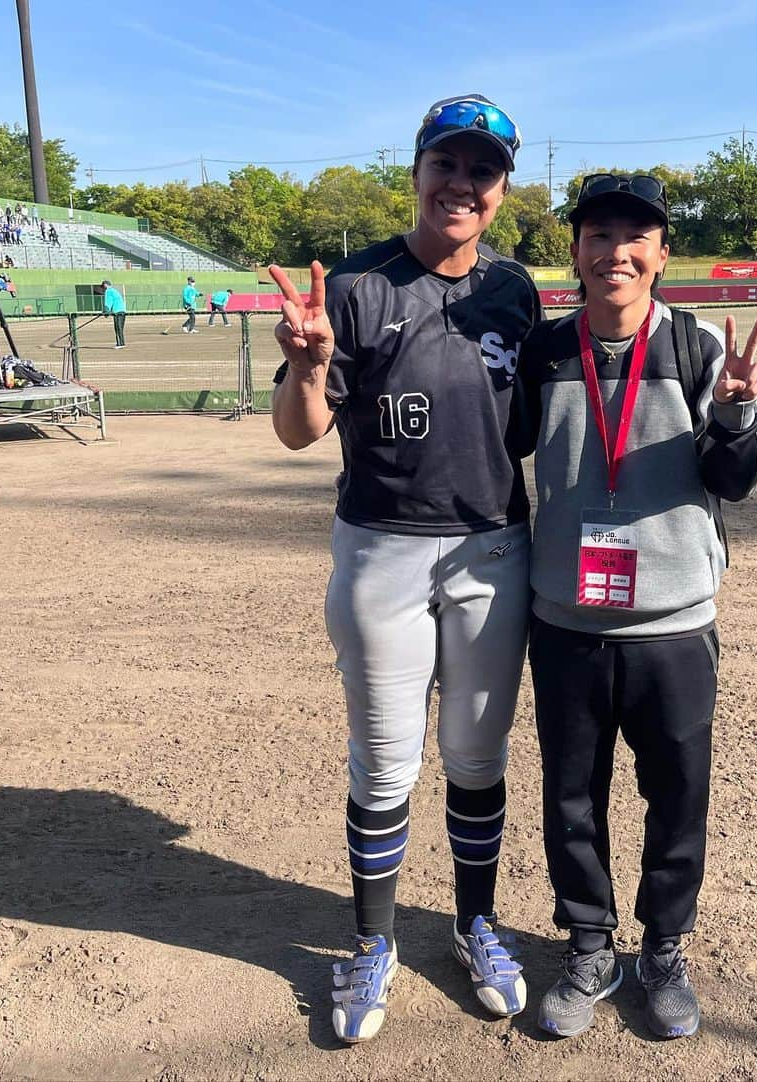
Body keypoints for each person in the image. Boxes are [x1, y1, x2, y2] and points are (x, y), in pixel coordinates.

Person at [269, 93, 540, 1045]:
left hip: (494, 550)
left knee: (475, 757)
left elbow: (542, 427)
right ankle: (372, 940)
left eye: (483, 171)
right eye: (448, 164)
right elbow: (300, 432)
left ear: (501, 190)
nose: (462, 184)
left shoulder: (515, 290)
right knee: (385, 761)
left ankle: (474, 924)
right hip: (382, 548)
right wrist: (308, 367)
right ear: (418, 171)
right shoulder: (355, 286)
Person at [516, 173, 757, 1040]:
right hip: (566, 624)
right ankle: (590, 946)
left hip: (672, 623)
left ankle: (663, 948)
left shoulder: (699, 350)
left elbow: (734, 480)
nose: (614, 251)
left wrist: (737, 415)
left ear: (662, 253)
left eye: (636, 235)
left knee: (678, 795)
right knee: (571, 798)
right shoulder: (544, 351)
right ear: (577, 250)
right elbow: (493, 451)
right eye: (597, 233)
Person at [101, 279, 127, 348]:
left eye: (103, 286)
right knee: (120, 328)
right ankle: (121, 343)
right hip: (122, 311)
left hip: (117, 312)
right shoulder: (114, 291)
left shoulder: (108, 291)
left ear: (105, 285)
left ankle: (120, 344)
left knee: (118, 328)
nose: (103, 289)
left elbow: (108, 302)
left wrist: (106, 311)